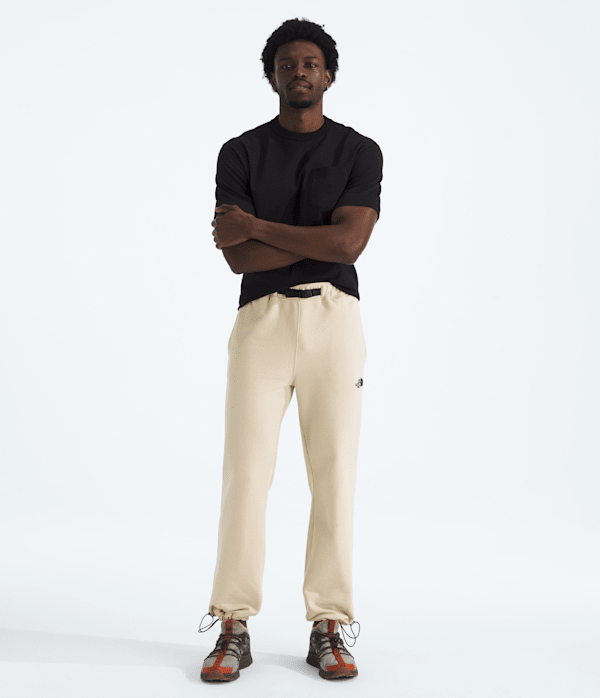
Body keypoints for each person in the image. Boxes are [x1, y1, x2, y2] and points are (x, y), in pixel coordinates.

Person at [198, 17, 383, 682]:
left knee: (334, 474)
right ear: (271, 75)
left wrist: (259, 226)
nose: (299, 72)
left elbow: (349, 245)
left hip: (334, 319)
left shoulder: (359, 151)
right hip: (262, 322)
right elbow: (237, 257)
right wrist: (309, 239)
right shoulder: (240, 152)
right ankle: (232, 624)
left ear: (328, 74)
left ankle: (328, 624)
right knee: (245, 474)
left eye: (310, 63)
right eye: (287, 64)